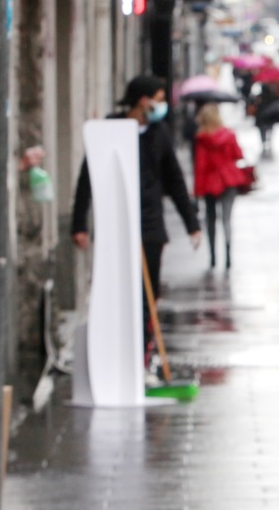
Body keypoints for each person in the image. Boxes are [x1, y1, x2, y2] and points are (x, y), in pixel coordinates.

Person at [71, 74, 202, 360]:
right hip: (116, 222)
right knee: (118, 290)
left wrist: (192, 223)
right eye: (158, 99)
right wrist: (79, 223)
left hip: (151, 225)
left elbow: (175, 180)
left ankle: (143, 350)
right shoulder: (110, 131)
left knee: (147, 293)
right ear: (143, 101)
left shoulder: (160, 134)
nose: (162, 105)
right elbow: (87, 178)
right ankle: (116, 351)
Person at [192, 103, 248, 270]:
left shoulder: (202, 139)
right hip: (228, 180)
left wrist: (196, 190)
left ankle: (213, 257)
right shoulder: (229, 135)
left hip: (210, 182)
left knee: (210, 219)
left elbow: (200, 166)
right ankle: (228, 256)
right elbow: (239, 155)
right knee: (227, 219)